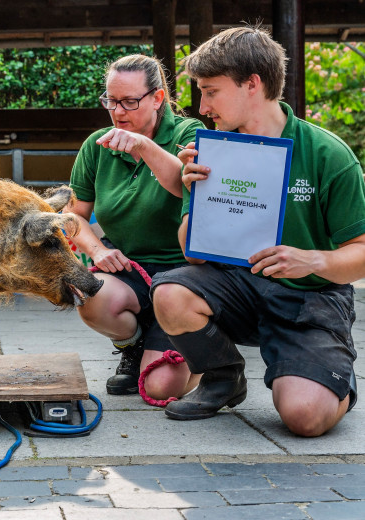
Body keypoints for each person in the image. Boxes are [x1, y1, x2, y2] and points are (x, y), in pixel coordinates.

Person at [151, 25, 365, 436]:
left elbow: (361, 251)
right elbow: (193, 255)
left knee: (305, 419)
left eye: (211, 91)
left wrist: (312, 260)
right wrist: (197, 194)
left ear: (252, 84)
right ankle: (222, 376)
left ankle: (330, 379)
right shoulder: (211, 149)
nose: (203, 105)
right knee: (170, 293)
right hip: (238, 288)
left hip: (311, 298)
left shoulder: (327, 153)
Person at [65, 54, 205, 399]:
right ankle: (135, 343)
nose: (118, 112)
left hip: (184, 275)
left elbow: (184, 183)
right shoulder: (98, 145)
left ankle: (204, 350)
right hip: (131, 268)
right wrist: (98, 249)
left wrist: (144, 146)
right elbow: (72, 215)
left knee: (161, 391)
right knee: (89, 291)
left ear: (158, 98)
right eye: (111, 101)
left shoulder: (191, 133)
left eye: (129, 101)